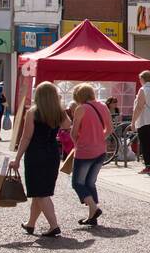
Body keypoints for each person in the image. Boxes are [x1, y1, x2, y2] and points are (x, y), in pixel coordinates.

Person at [11, 82, 69, 238]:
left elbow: (26, 137)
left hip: (36, 154)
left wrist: (17, 158)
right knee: (39, 192)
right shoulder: (59, 112)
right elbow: (67, 125)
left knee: (41, 193)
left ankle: (54, 226)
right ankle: (31, 224)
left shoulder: (33, 113)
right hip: (52, 154)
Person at [68, 84, 110, 226]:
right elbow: (109, 129)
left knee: (78, 183)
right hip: (101, 150)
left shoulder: (81, 109)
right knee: (90, 182)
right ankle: (92, 216)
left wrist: (78, 143)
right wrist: (99, 138)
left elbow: (73, 133)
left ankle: (94, 208)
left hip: (84, 151)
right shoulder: (103, 106)